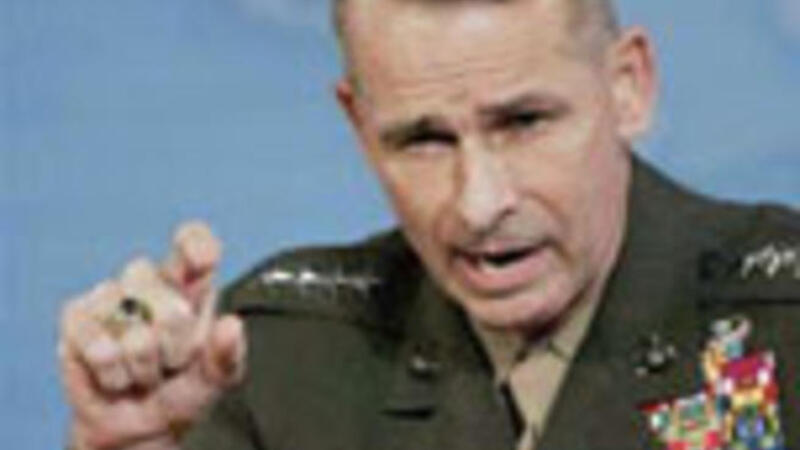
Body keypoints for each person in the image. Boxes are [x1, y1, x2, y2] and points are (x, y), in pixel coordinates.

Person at [59, 0, 800, 449]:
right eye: (423, 140)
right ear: (358, 123)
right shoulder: (283, 359)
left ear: (627, 86)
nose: (479, 204)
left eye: (524, 122)